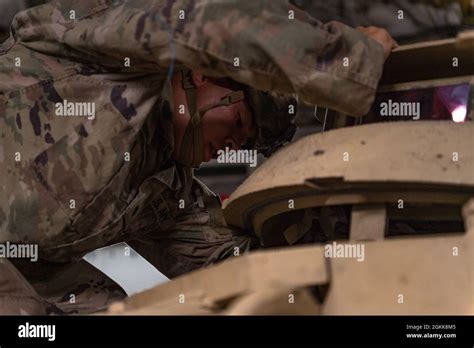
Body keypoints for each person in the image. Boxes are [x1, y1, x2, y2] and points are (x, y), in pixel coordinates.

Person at [0, 0, 396, 314]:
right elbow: (215, 21)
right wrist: (348, 59)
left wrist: (351, 246)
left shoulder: (165, 194)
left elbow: (234, 262)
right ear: (203, 73)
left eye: (247, 143)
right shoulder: (110, 57)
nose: (234, 146)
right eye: (239, 122)